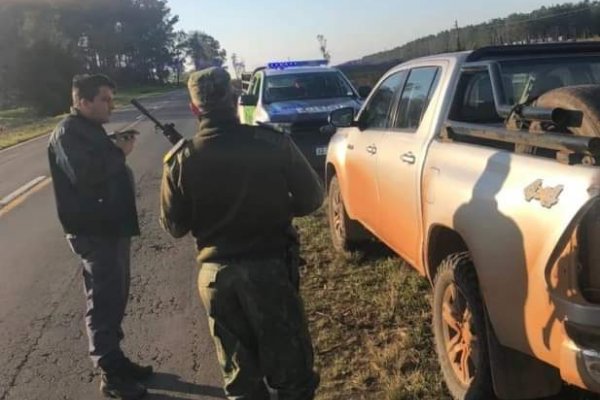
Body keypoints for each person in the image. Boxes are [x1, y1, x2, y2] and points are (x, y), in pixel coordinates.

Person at [160, 66, 323, 400]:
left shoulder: (180, 160)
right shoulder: (272, 143)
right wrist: (276, 208)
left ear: (194, 109)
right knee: (292, 378)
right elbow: (313, 197)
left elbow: (175, 227)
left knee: (241, 382)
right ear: (236, 100)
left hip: (216, 279)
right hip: (271, 272)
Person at [47, 74, 152, 400]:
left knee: (116, 296)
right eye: (105, 99)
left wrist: (114, 146)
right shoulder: (67, 132)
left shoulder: (87, 129)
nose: (111, 105)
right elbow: (85, 174)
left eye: (111, 98)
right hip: (94, 230)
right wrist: (119, 152)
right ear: (82, 101)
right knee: (103, 301)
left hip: (111, 227)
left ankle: (116, 361)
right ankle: (110, 374)